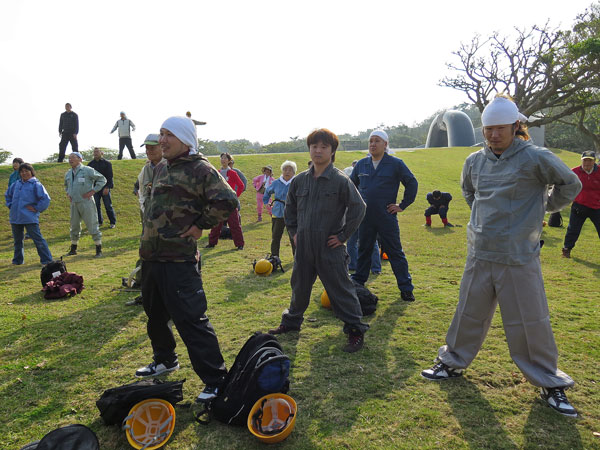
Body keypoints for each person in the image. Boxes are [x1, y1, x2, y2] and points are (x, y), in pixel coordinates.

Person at [421, 96, 582, 418]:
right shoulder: (474, 161)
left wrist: (544, 207)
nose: (494, 135)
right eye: (488, 129)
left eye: (500, 129)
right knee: (468, 312)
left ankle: (549, 383)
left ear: (515, 127)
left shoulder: (536, 157)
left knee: (529, 320)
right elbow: (469, 193)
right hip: (480, 250)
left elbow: (570, 183)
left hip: (518, 255)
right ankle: (452, 362)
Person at [137, 116, 238, 403]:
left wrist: (200, 225)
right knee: (155, 316)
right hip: (152, 258)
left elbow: (228, 201)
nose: (162, 140)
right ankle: (165, 359)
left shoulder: (200, 168)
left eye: (169, 134)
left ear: (184, 138)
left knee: (191, 321)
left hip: (179, 260)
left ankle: (216, 379)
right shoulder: (160, 168)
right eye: (161, 134)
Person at [268, 128, 369, 353]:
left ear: (332, 151)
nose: (318, 150)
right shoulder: (299, 180)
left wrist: (343, 236)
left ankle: (355, 329)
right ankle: (292, 322)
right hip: (303, 245)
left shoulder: (340, 180)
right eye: (314, 146)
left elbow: (359, 208)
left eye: (324, 147)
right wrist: (294, 232)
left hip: (329, 246)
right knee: (299, 285)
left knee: (341, 289)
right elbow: (290, 209)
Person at [350, 130, 418, 302]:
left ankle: (406, 288)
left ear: (385, 144)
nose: (373, 144)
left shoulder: (395, 163)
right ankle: (358, 283)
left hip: (386, 216)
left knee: (395, 252)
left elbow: (411, 182)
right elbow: (350, 186)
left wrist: (402, 205)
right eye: (371, 141)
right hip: (365, 217)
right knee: (364, 250)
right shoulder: (361, 164)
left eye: (377, 141)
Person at [5, 163, 53, 265]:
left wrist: (36, 208)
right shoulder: (16, 184)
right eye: (22, 171)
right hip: (15, 217)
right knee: (17, 241)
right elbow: (8, 195)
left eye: (26, 171)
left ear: (31, 172)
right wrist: (10, 205)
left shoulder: (36, 184)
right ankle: (18, 260)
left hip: (29, 217)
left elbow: (45, 199)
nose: (24, 173)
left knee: (38, 239)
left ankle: (47, 260)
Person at [64, 152, 106, 258]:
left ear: (80, 159)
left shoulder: (87, 170)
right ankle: (73, 248)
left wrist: (93, 191)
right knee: (74, 226)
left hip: (86, 202)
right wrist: (68, 193)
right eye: (69, 158)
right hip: (74, 203)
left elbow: (102, 179)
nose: (70, 160)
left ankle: (98, 249)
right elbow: (66, 185)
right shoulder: (68, 173)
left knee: (92, 225)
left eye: (73, 157)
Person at [561, 150, 600, 258]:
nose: (587, 163)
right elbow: (565, 185)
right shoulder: (574, 172)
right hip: (579, 207)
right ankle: (566, 249)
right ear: (581, 160)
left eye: (590, 160)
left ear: (594, 161)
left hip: (597, 207)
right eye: (585, 160)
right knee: (573, 230)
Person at [206, 153, 245, 250]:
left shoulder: (233, 173)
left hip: (230, 203)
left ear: (229, 160)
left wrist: (235, 196)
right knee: (216, 224)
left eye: (225, 158)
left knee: (234, 224)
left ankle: (240, 244)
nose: (223, 160)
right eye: (221, 158)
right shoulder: (217, 172)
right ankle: (212, 243)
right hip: (219, 202)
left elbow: (241, 185)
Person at [263, 161, 296, 257]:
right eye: (285, 169)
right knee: (275, 237)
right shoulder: (276, 182)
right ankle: (274, 258)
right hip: (277, 213)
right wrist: (267, 203)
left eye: (290, 170)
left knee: (294, 238)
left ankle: (297, 259)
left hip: (292, 214)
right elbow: (267, 192)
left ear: (294, 172)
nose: (287, 172)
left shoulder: (296, 182)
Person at [87, 148, 116, 228]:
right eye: (94, 152)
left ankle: (112, 222)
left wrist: (108, 187)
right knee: (96, 206)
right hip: (95, 189)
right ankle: (99, 222)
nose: (95, 153)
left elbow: (110, 177)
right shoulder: (90, 165)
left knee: (108, 205)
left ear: (101, 153)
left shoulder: (107, 163)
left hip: (104, 188)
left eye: (97, 152)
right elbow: (88, 178)